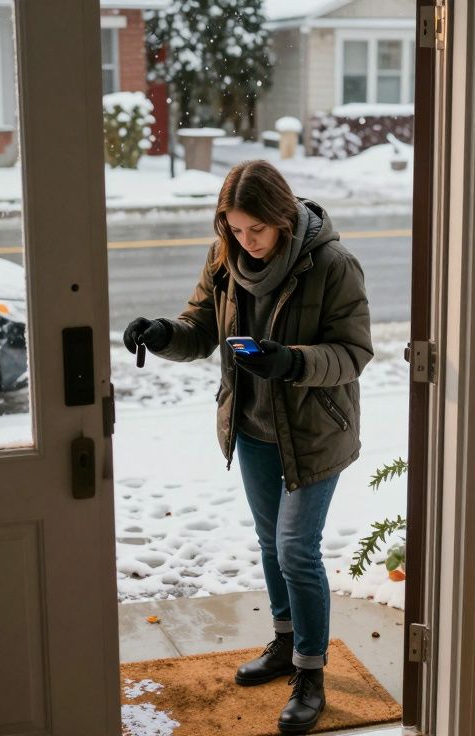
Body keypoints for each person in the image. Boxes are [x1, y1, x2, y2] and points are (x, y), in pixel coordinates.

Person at [124, 160, 372, 734]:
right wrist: (162, 334)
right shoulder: (224, 259)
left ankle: (310, 673)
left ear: (282, 219)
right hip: (254, 426)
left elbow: (353, 351)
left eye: (254, 230)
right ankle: (285, 643)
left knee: (296, 549)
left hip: (315, 429)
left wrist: (292, 361)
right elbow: (199, 327)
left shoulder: (331, 264)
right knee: (269, 543)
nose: (245, 242)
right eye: (234, 230)